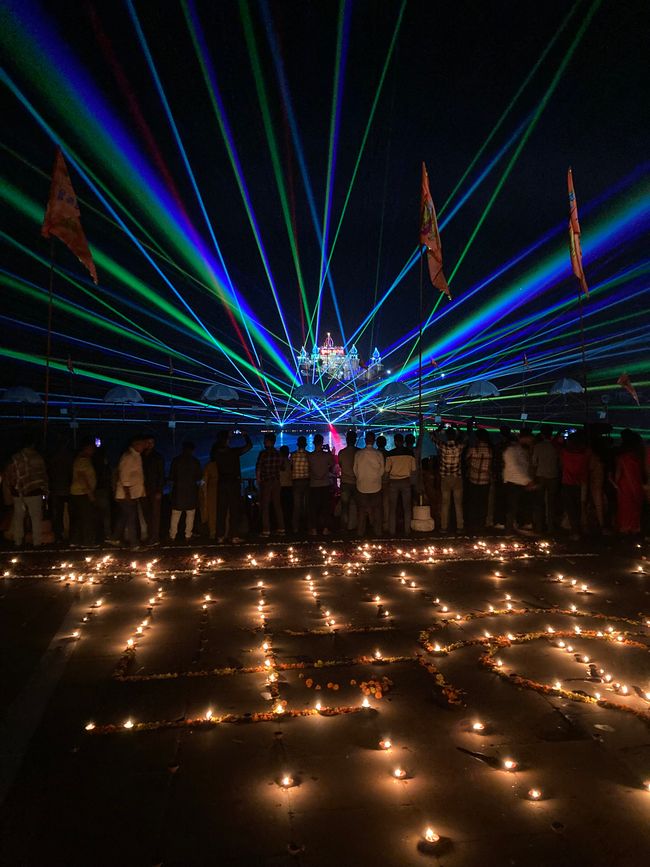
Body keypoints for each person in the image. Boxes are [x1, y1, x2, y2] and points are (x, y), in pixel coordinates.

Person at [7, 434, 48, 548]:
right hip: (34, 492)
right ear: (33, 444)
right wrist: (45, 490)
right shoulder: (38, 458)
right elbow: (43, 476)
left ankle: (18, 541)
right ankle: (37, 542)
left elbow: (11, 475)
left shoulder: (15, 458)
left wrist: (13, 488)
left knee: (18, 517)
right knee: (36, 518)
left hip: (18, 492)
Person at [213, 429, 252, 543]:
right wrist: (245, 434)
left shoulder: (216, 452)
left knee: (221, 510)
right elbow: (249, 446)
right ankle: (233, 535)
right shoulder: (234, 452)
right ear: (227, 440)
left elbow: (215, 448)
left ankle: (220, 536)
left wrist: (225, 435)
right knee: (234, 510)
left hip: (222, 483)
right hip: (233, 483)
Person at [110, 436, 146, 549]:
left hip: (132, 493)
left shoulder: (137, 456)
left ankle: (115, 538)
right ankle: (134, 544)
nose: (144, 446)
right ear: (135, 444)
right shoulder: (129, 457)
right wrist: (127, 495)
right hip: (126, 495)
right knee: (131, 517)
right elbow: (124, 476)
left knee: (124, 516)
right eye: (142, 443)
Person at [169, 441, 202, 542]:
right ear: (192, 450)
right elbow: (199, 477)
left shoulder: (176, 460)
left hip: (178, 491)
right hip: (191, 492)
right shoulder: (195, 461)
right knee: (190, 514)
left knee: (175, 514)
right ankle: (188, 535)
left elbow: (171, 476)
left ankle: (172, 535)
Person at [353, 431, 385, 537]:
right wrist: (375, 479)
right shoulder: (378, 454)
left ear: (365, 440)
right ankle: (378, 532)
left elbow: (355, 470)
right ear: (374, 441)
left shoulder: (358, 454)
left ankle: (360, 532)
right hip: (376, 486)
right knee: (377, 511)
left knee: (361, 511)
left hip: (361, 486)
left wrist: (361, 479)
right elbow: (382, 471)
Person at [503, 431, 535, 533]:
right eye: (530, 440)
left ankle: (515, 527)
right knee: (512, 507)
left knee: (517, 507)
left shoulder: (521, 450)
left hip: (520, 482)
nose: (531, 442)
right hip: (513, 482)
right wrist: (528, 480)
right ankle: (509, 529)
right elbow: (515, 467)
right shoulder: (512, 451)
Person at [614, 429, 645, 535]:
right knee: (635, 506)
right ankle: (635, 527)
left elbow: (619, 471)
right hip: (637, 483)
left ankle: (625, 528)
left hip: (625, 484)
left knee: (625, 507)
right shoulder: (639, 455)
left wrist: (616, 483)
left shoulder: (622, 457)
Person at [386, 433, 416, 537]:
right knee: (407, 507)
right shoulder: (410, 453)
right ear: (403, 441)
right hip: (406, 481)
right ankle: (407, 530)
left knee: (392, 507)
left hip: (393, 482)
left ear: (395, 442)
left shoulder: (390, 454)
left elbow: (386, 470)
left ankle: (392, 531)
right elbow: (413, 469)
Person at [256, 433, 286, 536]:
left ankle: (266, 530)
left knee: (265, 506)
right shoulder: (278, 454)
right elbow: (283, 467)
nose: (264, 442)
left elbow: (259, 468)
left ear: (269, 441)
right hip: (276, 482)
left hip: (266, 482)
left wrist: (258, 480)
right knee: (277, 505)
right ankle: (281, 529)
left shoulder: (263, 454)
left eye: (265, 440)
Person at [560, 432, 589, 539]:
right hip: (579, 484)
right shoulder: (583, 456)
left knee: (570, 509)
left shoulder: (565, 453)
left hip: (567, 483)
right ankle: (579, 530)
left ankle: (574, 531)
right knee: (578, 508)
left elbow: (561, 464)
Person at [69, 437, 97, 547]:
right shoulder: (82, 460)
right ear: (86, 448)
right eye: (91, 449)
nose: (93, 451)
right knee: (86, 518)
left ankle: (75, 541)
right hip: (82, 493)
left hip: (79, 493)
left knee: (79, 518)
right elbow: (82, 478)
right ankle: (87, 542)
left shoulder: (82, 460)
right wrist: (90, 493)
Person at [531, 426, 559, 534]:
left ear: (541, 434)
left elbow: (534, 462)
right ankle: (551, 527)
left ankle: (539, 527)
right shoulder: (555, 447)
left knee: (539, 502)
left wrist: (533, 476)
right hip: (553, 476)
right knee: (551, 502)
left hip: (541, 476)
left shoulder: (538, 446)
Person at [465, 428, 493, 533]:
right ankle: (481, 524)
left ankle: (472, 524)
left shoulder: (473, 449)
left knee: (473, 503)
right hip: (485, 480)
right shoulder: (490, 449)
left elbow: (466, 460)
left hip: (473, 479)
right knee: (483, 503)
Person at [46, 434, 73, 544]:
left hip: (56, 489)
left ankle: (59, 535)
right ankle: (68, 534)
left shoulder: (53, 458)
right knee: (69, 513)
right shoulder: (69, 458)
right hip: (67, 489)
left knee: (58, 514)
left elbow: (49, 473)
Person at [437, 427, 464, 534]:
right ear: (455, 435)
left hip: (445, 478)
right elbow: (465, 436)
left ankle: (444, 527)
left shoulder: (442, 446)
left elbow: (432, 436)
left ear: (446, 436)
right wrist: (458, 429)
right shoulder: (459, 446)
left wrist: (440, 428)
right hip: (457, 477)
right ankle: (460, 527)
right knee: (458, 504)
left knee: (445, 504)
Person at [308, 434, 335, 535]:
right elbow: (332, 465)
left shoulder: (310, 456)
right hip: (325, 484)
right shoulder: (327, 456)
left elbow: (309, 469)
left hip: (313, 485)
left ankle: (314, 529)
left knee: (313, 508)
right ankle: (325, 529)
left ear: (314, 443)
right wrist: (329, 453)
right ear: (322, 442)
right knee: (325, 508)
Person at [142, 435, 165, 546]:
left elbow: (161, 475)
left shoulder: (157, 457)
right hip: (144, 489)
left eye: (151, 442)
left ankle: (154, 537)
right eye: (147, 442)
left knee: (155, 514)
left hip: (154, 489)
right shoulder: (142, 456)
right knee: (147, 513)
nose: (149, 444)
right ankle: (150, 535)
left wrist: (159, 490)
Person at [337, 430, 358, 532]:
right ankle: (354, 526)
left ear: (346, 440)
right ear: (355, 440)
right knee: (356, 505)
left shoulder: (341, 453)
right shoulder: (359, 452)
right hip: (357, 483)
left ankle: (343, 527)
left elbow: (340, 465)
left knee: (345, 506)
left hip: (345, 482)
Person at [92, 445, 113, 543]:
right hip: (102, 489)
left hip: (97, 489)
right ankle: (106, 535)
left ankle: (99, 535)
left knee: (98, 514)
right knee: (105, 514)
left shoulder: (93, 462)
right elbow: (107, 475)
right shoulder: (103, 465)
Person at [291, 435, 310, 535]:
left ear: (297, 444)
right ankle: (307, 527)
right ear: (306, 445)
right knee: (306, 505)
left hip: (296, 482)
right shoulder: (308, 455)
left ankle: (295, 528)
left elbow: (290, 467)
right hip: (307, 482)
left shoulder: (293, 455)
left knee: (297, 505)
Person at [200, 444, 219, 540]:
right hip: (222, 490)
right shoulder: (224, 464)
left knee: (212, 513)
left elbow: (203, 481)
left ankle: (213, 532)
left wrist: (203, 492)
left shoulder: (209, 465)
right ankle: (224, 532)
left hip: (211, 492)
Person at [279, 445, 293, 531]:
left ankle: (281, 524)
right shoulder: (290, 462)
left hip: (280, 487)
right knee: (289, 507)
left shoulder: (278, 463)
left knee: (281, 507)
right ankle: (289, 524)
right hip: (290, 486)